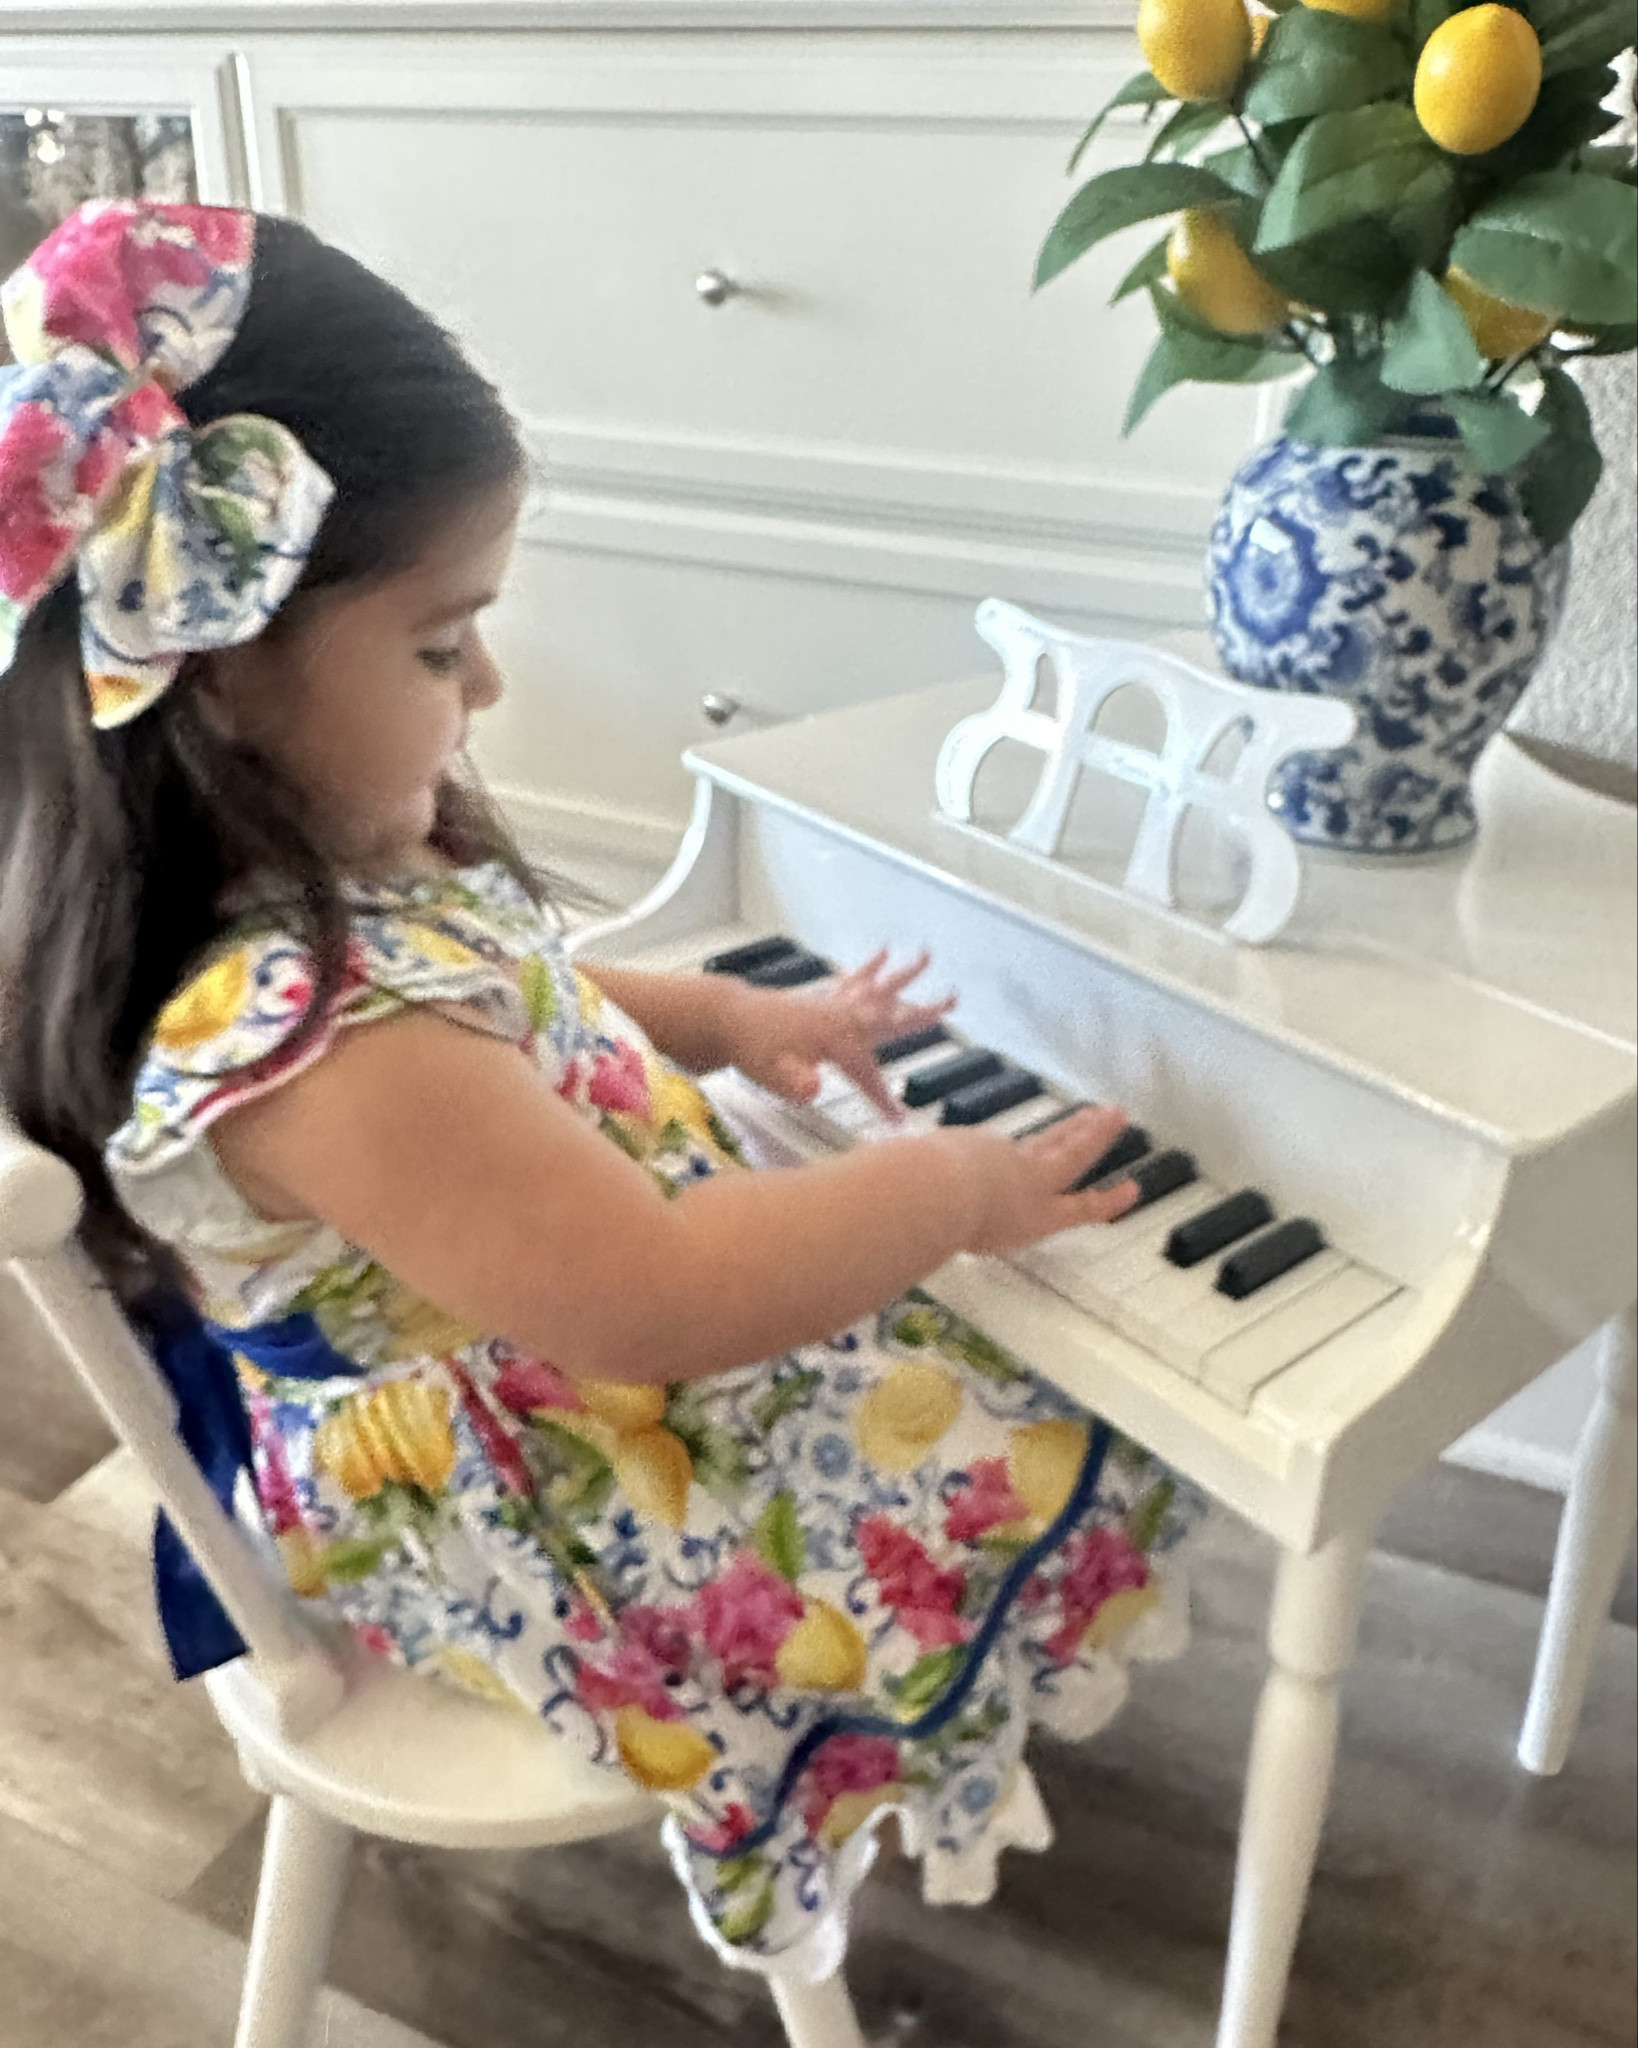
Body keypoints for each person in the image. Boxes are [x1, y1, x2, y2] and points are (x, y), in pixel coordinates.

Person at [0, 200, 1201, 1978]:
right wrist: (946, 1191)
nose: (485, 682)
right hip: (547, 1482)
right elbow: (665, 1298)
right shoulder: (317, 1052)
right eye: (441, 645)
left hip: (568, 1304)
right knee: (1020, 1425)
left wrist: (715, 1017)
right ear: (229, 671)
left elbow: (516, 999)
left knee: (955, 1340)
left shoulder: (321, 868)